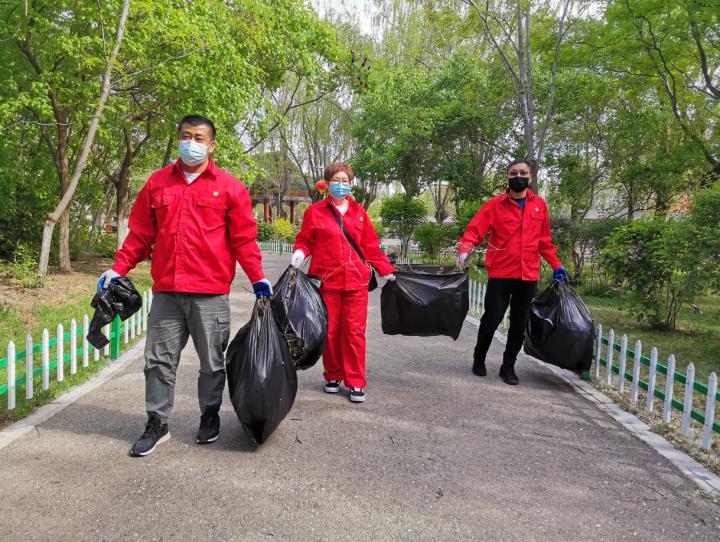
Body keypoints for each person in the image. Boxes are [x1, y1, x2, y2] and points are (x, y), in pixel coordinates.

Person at [98, 115, 273, 457]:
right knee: (158, 362)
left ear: (212, 145)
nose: (190, 142)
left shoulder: (230, 187)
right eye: (185, 135)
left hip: (209, 293)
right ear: (178, 138)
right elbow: (141, 235)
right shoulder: (158, 183)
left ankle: (209, 415)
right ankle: (157, 423)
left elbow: (243, 240)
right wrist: (118, 268)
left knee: (211, 363)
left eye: (198, 137)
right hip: (167, 292)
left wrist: (258, 277)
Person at [457, 159, 568, 386]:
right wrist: (464, 249)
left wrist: (557, 265)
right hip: (501, 273)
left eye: (523, 173)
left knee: (519, 323)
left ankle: (508, 366)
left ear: (531, 177)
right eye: (513, 173)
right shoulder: (494, 205)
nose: (519, 176)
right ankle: (479, 358)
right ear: (507, 178)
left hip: (528, 275)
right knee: (492, 318)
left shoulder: (539, 206)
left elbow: (545, 242)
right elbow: (474, 231)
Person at [290, 163, 395, 403]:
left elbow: (370, 245)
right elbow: (305, 240)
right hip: (326, 283)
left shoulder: (359, 213)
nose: (340, 184)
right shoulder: (315, 212)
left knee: (354, 333)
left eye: (344, 180)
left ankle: (356, 381)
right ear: (326, 184)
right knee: (330, 333)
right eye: (335, 180)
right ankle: (333, 375)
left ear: (350, 183)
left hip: (356, 284)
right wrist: (299, 252)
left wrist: (385, 270)